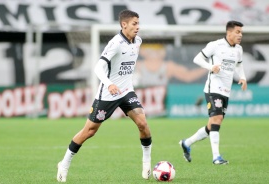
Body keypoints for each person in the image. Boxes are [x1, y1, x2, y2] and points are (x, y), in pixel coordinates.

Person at [56, 10, 152, 182]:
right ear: (124, 25)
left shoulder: (138, 41)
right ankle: (64, 163)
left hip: (127, 91)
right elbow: (98, 68)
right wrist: (109, 84)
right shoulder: (115, 43)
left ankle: (146, 163)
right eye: (134, 24)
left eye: (138, 23)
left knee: (143, 124)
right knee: (89, 131)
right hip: (108, 94)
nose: (138, 27)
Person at [179, 20, 247, 165]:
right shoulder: (215, 45)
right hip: (213, 88)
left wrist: (242, 77)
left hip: (226, 91)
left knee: (212, 124)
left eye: (241, 32)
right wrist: (210, 67)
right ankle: (216, 157)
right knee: (217, 119)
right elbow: (197, 59)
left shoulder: (238, 50)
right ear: (229, 32)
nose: (240, 35)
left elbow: (239, 65)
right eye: (237, 32)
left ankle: (187, 142)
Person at [134, 44, 207, 87]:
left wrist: (208, 67)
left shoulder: (168, 66)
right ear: (142, 51)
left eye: (158, 50)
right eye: (149, 49)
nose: (154, 52)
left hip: (161, 107)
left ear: (164, 51)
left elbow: (188, 76)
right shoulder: (137, 65)